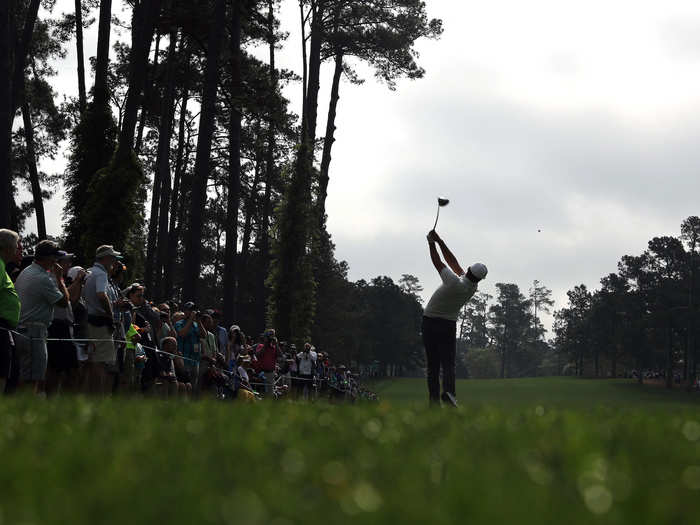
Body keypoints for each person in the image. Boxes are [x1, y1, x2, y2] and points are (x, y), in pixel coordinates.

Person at [423, 230, 487, 407]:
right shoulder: (471, 287)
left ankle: (434, 402)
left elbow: (439, 263)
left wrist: (430, 243)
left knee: (433, 365)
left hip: (430, 322)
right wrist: (440, 241)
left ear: (468, 271)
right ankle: (449, 394)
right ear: (479, 279)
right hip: (448, 325)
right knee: (448, 363)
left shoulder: (453, 281)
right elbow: (453, 262)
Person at [14, 240, 70, 393]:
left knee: (27, 376)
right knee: (33, 379)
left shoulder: (26, 271)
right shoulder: (43, 278)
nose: (56, 261)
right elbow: (64, 302)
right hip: (34, 331)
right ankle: (24, 413)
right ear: (47, 257)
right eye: (54, 257)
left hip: (24, 329)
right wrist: (59, 278)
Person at [83, 245, 121, 395]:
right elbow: (101, 295)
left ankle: (90, 396)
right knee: (102, 363)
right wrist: (111, 315)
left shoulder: (89, 271)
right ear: (104, 258)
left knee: (92, 362)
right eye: (111, 258)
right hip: (100, 321)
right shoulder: (101, 274)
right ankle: (98, 398)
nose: (113, 261)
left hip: (89, 319)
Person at [45, 253, 85, 395]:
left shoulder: (59, 278)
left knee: (70, 371)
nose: (69, 264)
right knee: (56, 371)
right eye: (66, 261)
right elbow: (63, 299)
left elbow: (71, 302)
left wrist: (78, 283)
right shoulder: (52, 277)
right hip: (57, 326)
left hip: (65, 328)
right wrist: (76, 281)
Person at [0, 229, 21, 394]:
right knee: (2, 373)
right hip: (1, 328)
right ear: (6, 247)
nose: (17, 249)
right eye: (16, 246)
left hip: (6, 328)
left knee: (9, 374)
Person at [175, 302, 200, 389]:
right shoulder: (179, 323)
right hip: (184, 359)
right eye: (190, 310)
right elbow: (182, 334)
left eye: (194, 310)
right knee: (185, 383)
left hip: (195, 359)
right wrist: (190, 320)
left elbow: (204, 335)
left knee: (194, 385)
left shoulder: (196, 325)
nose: (193, 312)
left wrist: (199, 321)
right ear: (185, 311)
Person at [255, 329, 279, 395]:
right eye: (270, 336)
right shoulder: (261, 346)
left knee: (270, 395)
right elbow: (258, 355)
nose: (271, 338)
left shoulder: (274, 347)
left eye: (273, 335)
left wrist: (276, 344)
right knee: (262, 393)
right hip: (262, 373)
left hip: (271, 373)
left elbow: (280, 355)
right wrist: (266, 343)